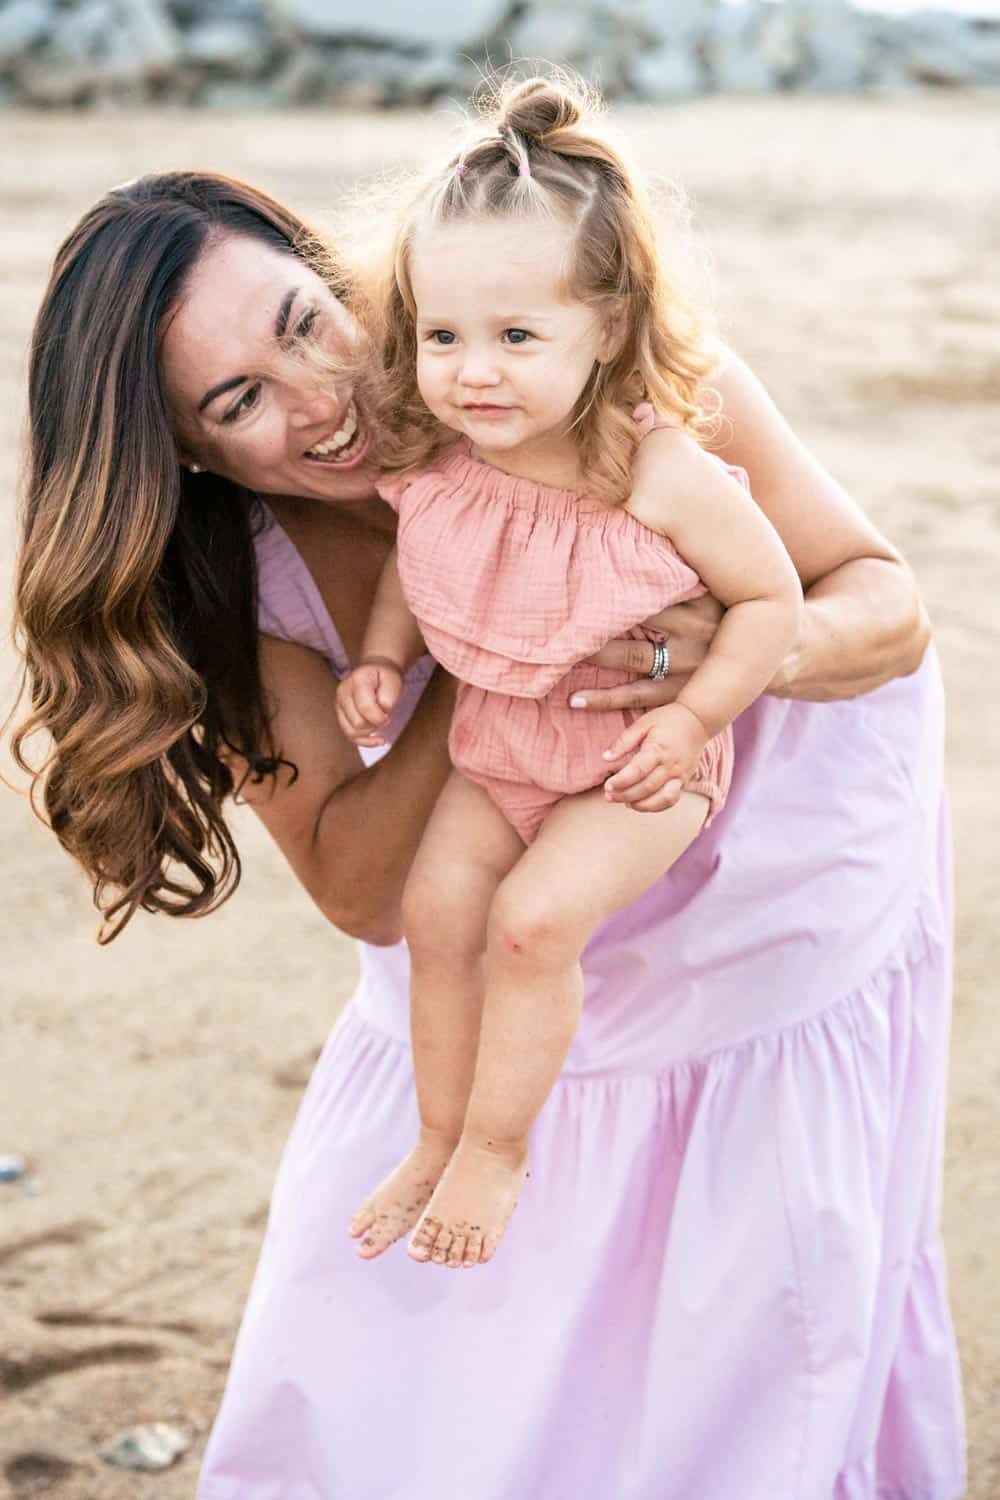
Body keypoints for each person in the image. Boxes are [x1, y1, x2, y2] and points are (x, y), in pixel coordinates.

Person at [11, 155, 965, 1499]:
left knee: (728, 1341)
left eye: (304, 323)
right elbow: (357, 886)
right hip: (494, 913)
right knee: (403, 1349)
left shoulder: (592, 377)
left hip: (761, 867)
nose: (321, 401)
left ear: (338, 274)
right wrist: (491, 627)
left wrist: (736, 651)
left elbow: (884, 601)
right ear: (187, 449)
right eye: (241, 402)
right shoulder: (235, 589)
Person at [335, 76, 802, 1269]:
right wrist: (385, 659)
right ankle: (434, 1134)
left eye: (515, 337)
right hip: (498, 746)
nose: (472, 371)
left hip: (634, 767)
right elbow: (417, 560)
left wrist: (694, 715)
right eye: (443, 336)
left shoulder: (657, 470)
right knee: (438, 916)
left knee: (533, 927)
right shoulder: (446, 455)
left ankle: (497, 1144)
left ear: (610, 329)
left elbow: (768, 600)